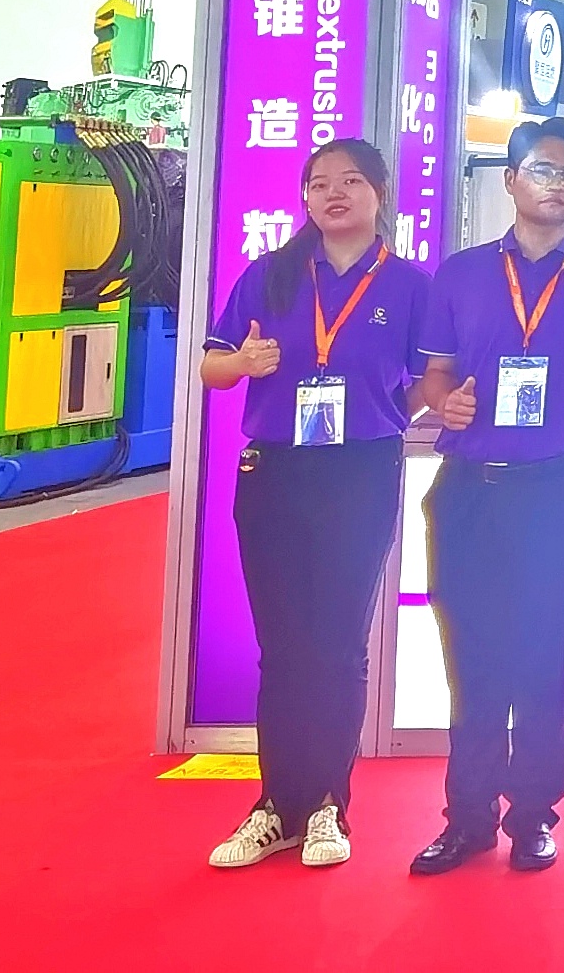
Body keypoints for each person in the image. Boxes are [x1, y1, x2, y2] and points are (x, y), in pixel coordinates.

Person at [407, 117, 564, 875]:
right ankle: (467, 818)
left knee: (544, 658)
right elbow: (434, 376)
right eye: (542, 169)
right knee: (470, 659)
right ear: (509, 180)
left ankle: (534, 815)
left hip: (558, 492)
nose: (557, 184)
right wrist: (444, 404)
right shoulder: (461, 274)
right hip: (469, 490)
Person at [199, 139, 431, 870]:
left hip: (361, 472)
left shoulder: (410, 286)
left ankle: (329, 803)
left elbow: (428, 381)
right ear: (304, 198)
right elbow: (211, 367)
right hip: (275, 472)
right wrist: (242, 363)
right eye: (320, 183)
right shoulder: (270, 275)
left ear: (380, 194)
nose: (334, 194)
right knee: (283, 646)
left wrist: (395, 416)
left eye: (351, 181)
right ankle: (276, 805)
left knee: (338, 643)